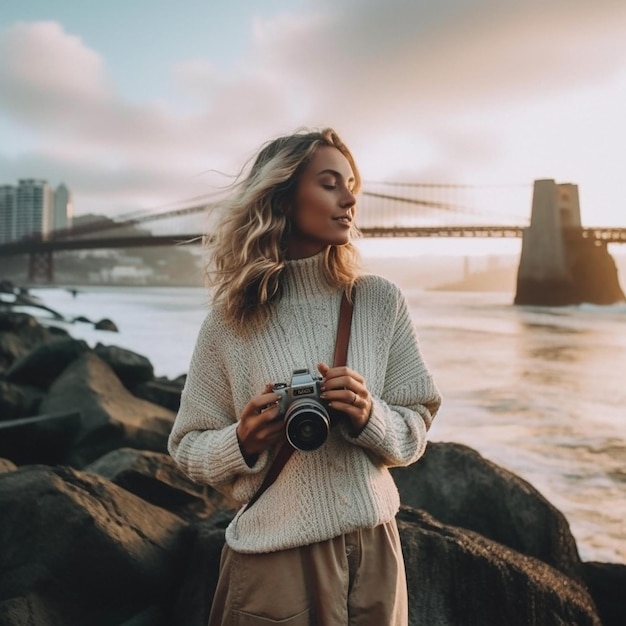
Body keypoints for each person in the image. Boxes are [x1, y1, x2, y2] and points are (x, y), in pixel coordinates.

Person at [168, 127, 442, 625]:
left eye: (351, 182)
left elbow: (415, 425)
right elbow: (187, 447)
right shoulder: (230, 321)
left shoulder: (379, 302)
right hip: (274, 557)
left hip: (374, 552)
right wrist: (243, 440)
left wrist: (369, 415)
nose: (351, 197)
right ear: (284, 196)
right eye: (330, 183)